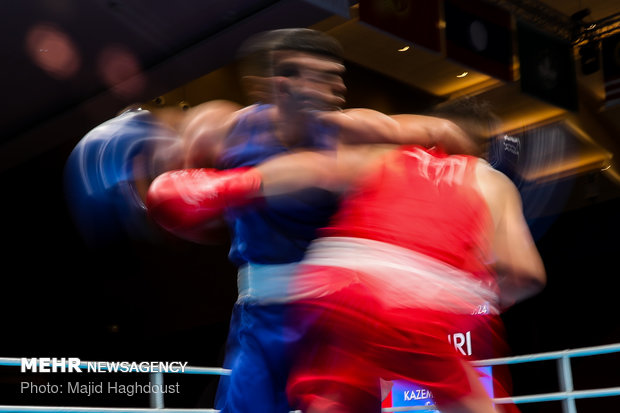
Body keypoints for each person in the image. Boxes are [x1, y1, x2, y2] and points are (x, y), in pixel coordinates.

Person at [147, 29, 482, 413]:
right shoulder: (219, 129)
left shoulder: (355, 130)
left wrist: (468, 177)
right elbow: (188, 202)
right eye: (323, 75)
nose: (338, 86)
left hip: (337, 311)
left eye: (338, 75)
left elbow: (444, 132)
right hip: (263, 308)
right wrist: (182, 208)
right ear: (282, 84)